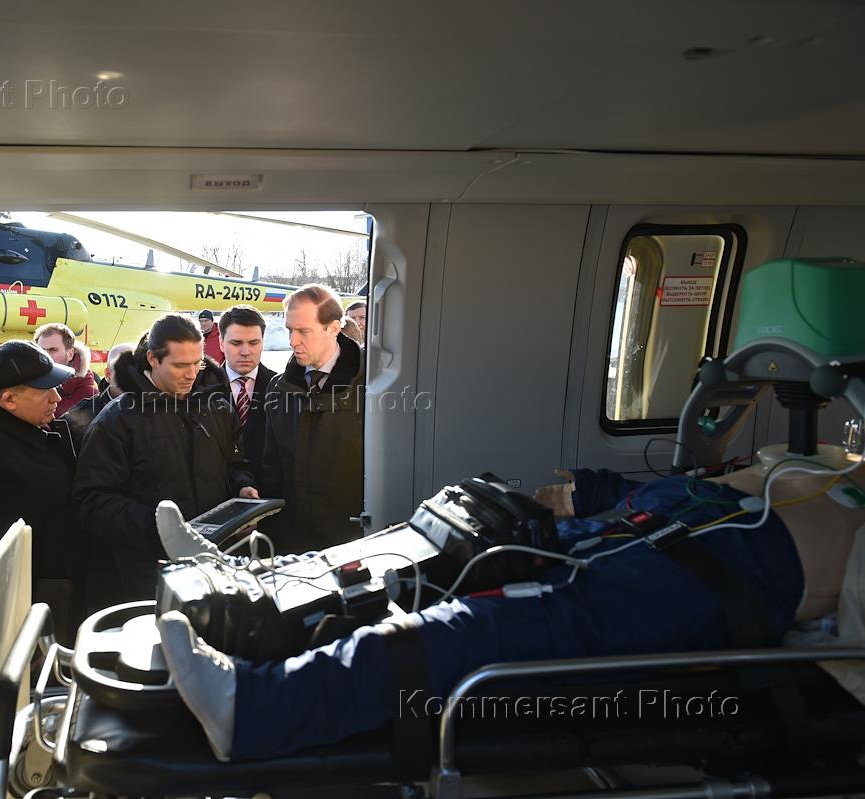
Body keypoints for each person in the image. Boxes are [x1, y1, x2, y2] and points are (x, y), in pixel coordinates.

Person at [158, 455, 865, 762]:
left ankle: (255, 710)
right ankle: (249, 588)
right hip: (650, 529)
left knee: (485, 625)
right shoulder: (823, 463)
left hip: (709, 586)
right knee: (438, 548)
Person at [72, 313, 259, 606]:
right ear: (153, 359)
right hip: (149, 576)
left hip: (215, 564)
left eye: (197, 363)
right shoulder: (117, 420)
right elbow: (92, 502)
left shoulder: (216, 408)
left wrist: (243, 487)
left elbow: (235, 463)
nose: (191, 374)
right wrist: (161, 527)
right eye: (180, 365)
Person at [0, 340, 86, 640]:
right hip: (33, 603)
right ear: (9, 399)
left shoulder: (26, 431)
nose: (56, 397)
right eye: (45, 390)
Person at [259, 284, 365, 553]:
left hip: (352, 546)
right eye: (289, 330)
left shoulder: (371, 388)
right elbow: (272, 470)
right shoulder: (278, 388)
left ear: (333, 328)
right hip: (291, 546)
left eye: (303, 331)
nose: (292, 341)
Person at [218, 305, 276, 481]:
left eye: (253, 343)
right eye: (236, 343)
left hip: (269, 489)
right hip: (218, 490)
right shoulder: (201, 388)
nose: (245, 352)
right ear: (221, 343)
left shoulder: (281, 387)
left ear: (263, 342)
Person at [65, 340, 135, 432]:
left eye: (137, 372)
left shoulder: (151, 410)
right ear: (108, 375)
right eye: (124, 373)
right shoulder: (83, 414)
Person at [34, 322, 98, 416]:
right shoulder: (26, 386)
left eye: (53, 350)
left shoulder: (90, 397)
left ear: (70, 354)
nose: (45, 356)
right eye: (41, 350)